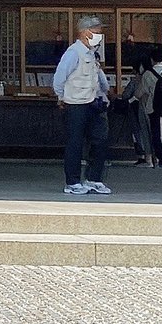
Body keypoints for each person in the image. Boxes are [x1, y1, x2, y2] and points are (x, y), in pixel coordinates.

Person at [52, 15, 111, 197]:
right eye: (97, 31)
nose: (99, 34)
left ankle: (94, 179)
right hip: (75, 103)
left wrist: (105, 91)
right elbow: (59, 78)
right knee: (75, 143)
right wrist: (61, 96)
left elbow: (98, 77)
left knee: (100, 140)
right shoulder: (73, 52)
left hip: (94, 102)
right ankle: (73, 182)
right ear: (85, 32)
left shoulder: (92, 53)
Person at [123, 57, 157, 164]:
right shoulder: (155, 76)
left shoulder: (137, 80)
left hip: (137, 108)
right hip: (154, 107)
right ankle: (156, 156)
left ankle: (143, 156)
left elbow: (126, 95)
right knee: (154, 131)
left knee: (139, 132)